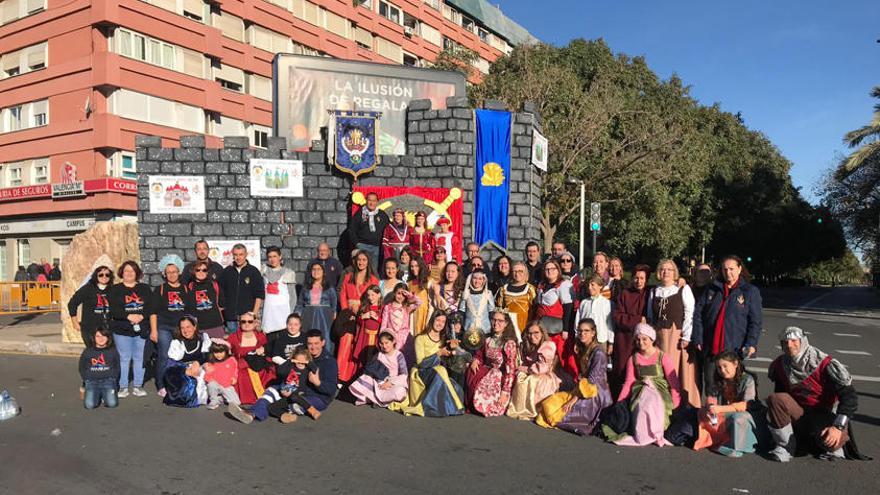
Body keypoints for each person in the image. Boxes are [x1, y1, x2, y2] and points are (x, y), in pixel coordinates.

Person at [766, 326, 868, 462]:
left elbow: (850, 398)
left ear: (803, 341)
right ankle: (786, 446)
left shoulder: (824, 363)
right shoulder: (780, 364)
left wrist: (838, 427)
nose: (789, 345)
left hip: (825, 414)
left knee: (830, 443)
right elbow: (781, 397)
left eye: (794, 340)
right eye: (785, 342)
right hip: (799, 413)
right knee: (776, 399)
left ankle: (837, 447)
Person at [692, 255, 762, 397]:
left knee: (732, 389)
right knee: (711, 388)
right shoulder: (712, 289)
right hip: (712, 349)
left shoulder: (750, 291)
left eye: (732, 269)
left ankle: (731, 417)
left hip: (734, 348)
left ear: (739, 269)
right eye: (725, 269)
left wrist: (751, 343)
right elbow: (698, 315)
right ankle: (712, 417)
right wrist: (698, 338)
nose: (728, 272)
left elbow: (756, 322)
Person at [604, 323, 681, 447]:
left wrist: (676, 403)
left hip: (660, 390)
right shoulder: (633, 359)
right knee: (644, 403)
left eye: (644, 339)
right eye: (638, 339)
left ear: (652, 339)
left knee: (654, 402)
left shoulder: (662, 357)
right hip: (641, 389)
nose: (641, 342)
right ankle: (644, 433)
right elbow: (629, 381)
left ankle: (655, 432)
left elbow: (674, 382)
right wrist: (620, 401)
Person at [536, 318, 612, 436]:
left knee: (561, 413)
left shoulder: (598, 353)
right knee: (550, 403)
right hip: (581, 389)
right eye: (580, 331)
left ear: (593, 333)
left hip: (594, 394)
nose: (582, 333)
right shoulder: (584, 348)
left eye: (586, 331)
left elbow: (591, 381)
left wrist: (573, 400)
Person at [389, 311, 465, 417]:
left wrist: (452, 351)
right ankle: (442, 408)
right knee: (441, 371)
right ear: (432, 320)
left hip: (436, 372)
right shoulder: (421, 338)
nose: (440, 323)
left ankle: (449, 407)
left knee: (455, 386)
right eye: (438, 320)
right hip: (421, 372)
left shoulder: (444, 339)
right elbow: (421, 363)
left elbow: (447, 362)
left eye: (443, 321)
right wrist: (439, 354)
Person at [647, 259, 700, 408]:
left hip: (675, 336)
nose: (666, 272)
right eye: (663, 269)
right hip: (658, 337)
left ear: (674, 272)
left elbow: (690, 313)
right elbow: (650, 316)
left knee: (674, 371)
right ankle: (661, 405)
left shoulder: (683, 289)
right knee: (659, 371)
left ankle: (678, 406)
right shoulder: (653, 291)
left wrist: (686, 336)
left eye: (669, 269)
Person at [692, 351, 760, 457]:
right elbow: (712, 397)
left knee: (737, 418)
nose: (722, 370)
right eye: (719, 367)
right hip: (725, 412)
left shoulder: (747, 379)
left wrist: (720, 409)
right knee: (702, 412)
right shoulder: (719, 379)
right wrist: (710, 406)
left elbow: (746, 405)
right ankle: (713, 439)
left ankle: (735, 446)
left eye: (725, 366)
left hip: (746, 414)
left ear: (735, 364)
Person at [229, 347, 321, 424]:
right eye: (298, 361)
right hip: (285, 390)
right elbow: (280, 371)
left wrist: (308, 362)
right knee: (269, 401)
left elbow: (315, 369)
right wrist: (290, 361)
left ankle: (305, 412)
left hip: (297, 394)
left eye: (303, 362)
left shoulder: (307, 370)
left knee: (290, 399)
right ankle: (253, 415)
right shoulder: (291, 367)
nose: (300, 364)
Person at [149, 255, 195, 397]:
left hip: (182, 328)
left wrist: (191, 328)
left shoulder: (186, 289)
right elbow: (153, 312)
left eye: (174, 272)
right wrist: (154, 331)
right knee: (163, 355)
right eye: (168, 272)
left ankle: (178, 382)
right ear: (164, 274)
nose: (172, 275)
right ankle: (161, 385)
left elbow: (190, 311)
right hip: (164, 327)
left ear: (179, 272)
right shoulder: (160, 289)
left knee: (181, 356)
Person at [107, 260, 152, 398]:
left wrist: (141, 316)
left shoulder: (144, 288)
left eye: (132, 271)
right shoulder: (115, 289)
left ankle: (138, 386)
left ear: (137, 273)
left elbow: (151, 306)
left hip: (141, 328)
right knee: (124, 358)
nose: (129, 273)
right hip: (122, 329)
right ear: (122, 273)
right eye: (126, 271)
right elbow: (113, 310)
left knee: (139, 358)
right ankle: (123, 386)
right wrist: (128, 316)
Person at [466, 310, 518, 417]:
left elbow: (511, 370)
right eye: (494, 320)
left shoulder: (509, 343)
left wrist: (505, 392)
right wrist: (476, 360)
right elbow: (480, 355)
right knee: (471, 370)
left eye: (500, 321)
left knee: (493, 375)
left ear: (506, 323)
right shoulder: (488, 338)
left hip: (499, 376)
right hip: (487, 370)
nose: (496, 323)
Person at [610, 264, 651, 396]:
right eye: (636, 278)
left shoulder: (651, 293)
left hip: (645, 341)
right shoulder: (625, 294)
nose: (639, 281)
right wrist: (637, 320)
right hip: (625, 340)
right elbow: (617, 316)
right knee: (622, 371)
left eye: (642, 278)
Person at [506, 321, 560, 420]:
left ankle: (530, 408)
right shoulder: (528, 345)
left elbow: (542, 367)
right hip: (532, 373)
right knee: (518, 376)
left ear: (542, 333)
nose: (532, 336)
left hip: (542, 376)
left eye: (536, 333)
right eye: (530, 333)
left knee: (527, 380)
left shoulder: (548, 345)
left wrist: (526, 369)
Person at [338, 251, 379, 378]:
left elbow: (373, 298)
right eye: (359, 260)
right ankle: (341, 374)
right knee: (346, 341)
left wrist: (363, 311)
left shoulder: (373, 279)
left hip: (364, 313)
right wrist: (347, 312)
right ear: (355, 261)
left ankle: (355, 375)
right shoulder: (348, 276)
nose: (361, 262)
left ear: (368, 262)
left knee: (358, 344)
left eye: (364, 260)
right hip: (349, 314)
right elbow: (343, 295)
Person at [163, 315, 212, 407]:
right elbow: (171, 363)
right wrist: (184, 370)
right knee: (186, 379)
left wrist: (198, 363)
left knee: (207, 372)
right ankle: (190, 399)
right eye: (182, 328)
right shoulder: (177, 343)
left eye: (188, 327)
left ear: (194, 327)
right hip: (182, 368)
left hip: (200, 366)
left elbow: (207, 356)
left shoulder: (203, 338)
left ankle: (214, 396)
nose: (185, 331)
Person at [349, 332, 409, 407]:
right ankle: (380, 400)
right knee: (362, 380)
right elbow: (371, 370)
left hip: (394, 383)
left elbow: (404, 374)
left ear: (393, 341)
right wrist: (379, 382)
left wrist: (390, 383)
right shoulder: (379, 354)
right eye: (382, 343)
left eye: (387, 343)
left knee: (400, 392)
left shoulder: (399, 355)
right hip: (379, 382)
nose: (384, 346)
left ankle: (374, 399)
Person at [534, 259, 574, 370]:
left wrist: (566, 329)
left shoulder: (563, 285)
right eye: (547, 269)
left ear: (558, 270)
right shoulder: (542, 285)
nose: (549, 271)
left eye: (552, 269)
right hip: (542, 329)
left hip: (557, 330)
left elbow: (568, 308)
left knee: (560, 358)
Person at [227, 312, 275, 404]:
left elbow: (267, 353)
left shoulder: (261, 336)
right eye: (243, 321)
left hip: (258, 365)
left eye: (250, 321)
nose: (247, 324)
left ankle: (264, 398)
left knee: (268, 371)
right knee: (240, 373)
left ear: (255, 322)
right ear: (239, 323)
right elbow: (228, 355)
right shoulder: (233, 337)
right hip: (241, 367)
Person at [218, 244, 264, 335]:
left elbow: (259, 295)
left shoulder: (254, 271)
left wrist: (253, 314)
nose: (238, 257)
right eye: (236, 255)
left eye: (241, 254)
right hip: (231, 318)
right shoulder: (227, 271)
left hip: (247, 318)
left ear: (246, 255)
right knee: (234, 346)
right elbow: (221, 293)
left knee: (248, 344)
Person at [343, 285, 384, 382]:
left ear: (379, 295)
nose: (370, 298)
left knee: (374, 359)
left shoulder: (382, 308)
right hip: (364, 337)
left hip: (376, 338)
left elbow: (384, 322)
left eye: (373, 295)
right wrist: (362, 317)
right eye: (368, 295)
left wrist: (377, 318)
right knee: (363, 359)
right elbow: (359, 322)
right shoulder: (365, 307)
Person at [295, 261, 338, 353]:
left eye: (319, 269)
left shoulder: (329, 288)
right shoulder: (305, 288)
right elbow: (300, 304)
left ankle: (325, 358)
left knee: (324, 337)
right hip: (308, 316)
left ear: (323, 272)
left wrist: (334, 314)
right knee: (309, 338)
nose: (316, 271)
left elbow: (334, 303)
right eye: (313, 269)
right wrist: (296, 317)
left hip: (325, 317)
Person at [68, 265, 114, 345]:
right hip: (90, 328)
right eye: (101, 275)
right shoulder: (88, 289)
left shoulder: (113, 289)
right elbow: (72, 303)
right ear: (96, 276)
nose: (104, 277)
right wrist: (74, 322)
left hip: (108, 328)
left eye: (107, 275)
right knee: (93, 354)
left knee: (107, 354)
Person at [79, 328, 120, 409]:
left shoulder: (112, 351)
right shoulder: (88, 351)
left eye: (104, 336)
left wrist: (113, 378)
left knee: (112, 404)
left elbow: (117, 366)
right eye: (98, 336)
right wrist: (86, 378)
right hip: (92, 381)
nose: (101, 339)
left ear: (108, 338)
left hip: (108, 380)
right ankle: (95, 394)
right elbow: (82, 366)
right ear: (93, 338)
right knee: (90, 405)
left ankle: (104, 395)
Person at [379, 283, 421, 364]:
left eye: (403, 294)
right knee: (391, 360)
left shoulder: (407, 307)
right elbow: (384, 324)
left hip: (404, 338)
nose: (400, 296)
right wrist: (382, 338)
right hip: (391, 337)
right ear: (394, 293)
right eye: (398, 293)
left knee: (405, 359)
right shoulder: (388, 307)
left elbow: (419, 302)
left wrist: (410, 295)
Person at [349, 191, 390, 271]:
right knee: (362, 270)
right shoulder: (359, 214)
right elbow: (352, 230)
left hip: (377, 247)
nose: (372, 203)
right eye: (369, 200)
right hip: (363, 246)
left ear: (377, 202)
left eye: (374, 201)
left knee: (374, 270)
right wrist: (357, 244)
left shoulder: (382, 214)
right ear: (366, 201)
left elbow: (389, 228)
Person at [261, 247, 297, 335]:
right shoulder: (263, 271)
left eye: (274, 256)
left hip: (283, 311)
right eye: (270, 257)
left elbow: (292, 295)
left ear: (280, 257)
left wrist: (291, 313)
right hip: (269, 312)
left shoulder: (288, 273)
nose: (272, 259)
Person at [495, 261, 536, 339]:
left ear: (526, 273)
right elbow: (499, 310)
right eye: (515, 271)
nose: (517, 273)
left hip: (525, 328)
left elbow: (534, 310)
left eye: (521, 271)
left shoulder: (530, 289)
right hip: (507, 328)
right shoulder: (503, 289)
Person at [186, 260, 225, 339]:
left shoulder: (214, 285)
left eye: (204, 270)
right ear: (193, 272)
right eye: (198, 270)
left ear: (207, 272)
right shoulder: (189, 287)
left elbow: (222, 303)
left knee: (218, 350)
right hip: (198, 328)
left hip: (215, 326)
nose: (201, 272)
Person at [576, 275, 613, 353]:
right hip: (585, 339)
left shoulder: (607, 303)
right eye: (588, 285)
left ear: (600, 286)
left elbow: (609, 323)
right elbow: (578, 321)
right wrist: (577, 339)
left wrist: (611, 342)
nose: (589, 287)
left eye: (592, 285)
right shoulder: (584, 302)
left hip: (601, 339)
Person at [203, 340, 240, 410]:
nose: (219, 355)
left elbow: (235, 370)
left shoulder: (231, 360)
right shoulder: (211, 363)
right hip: (216, 385)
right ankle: (214, 400)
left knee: (236, 403)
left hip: (226, 385)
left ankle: (220, 399)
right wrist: (209, 379)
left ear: (226, 351)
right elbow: (207, 375)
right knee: (211, 384)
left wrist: (234, 378)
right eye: (216, 352)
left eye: (221, 352)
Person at [458, 270, 495, 336]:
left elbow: (491, 312)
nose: (477, 281)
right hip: (469, 329)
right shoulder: (466, 294)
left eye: (480, 279)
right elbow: (461, 312)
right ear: (471, 279)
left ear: (484, 280)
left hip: (485, 330)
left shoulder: (488, 293)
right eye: (475, 278)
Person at [407, 257, 433, 334]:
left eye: (416, 266)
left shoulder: (429, 281)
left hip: (425, 314)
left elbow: (431, 302)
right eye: (412, 266)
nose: (414, 268)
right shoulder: (409, 283)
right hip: (413, 315)